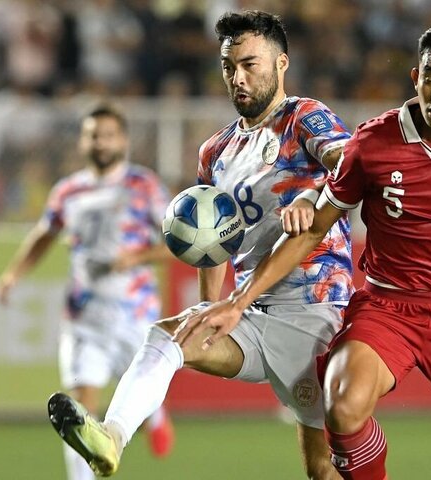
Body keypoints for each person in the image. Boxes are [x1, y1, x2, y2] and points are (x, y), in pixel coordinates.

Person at [176, 22, 431, 480]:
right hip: (387, 306)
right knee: (341, 403)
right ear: (415, 78)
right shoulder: (373, 143)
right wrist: (238, 302)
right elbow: (311, 230)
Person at [47, 10, 352, 480]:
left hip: (313, 311)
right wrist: (210, 307)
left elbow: (348, 161)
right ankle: (112, 437)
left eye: (251, 64)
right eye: (229, 66)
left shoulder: (303, 118)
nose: (239, 78)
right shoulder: (215, 151)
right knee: (168, 333)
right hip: (248, 314)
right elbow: (213, 242)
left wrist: (314, 195)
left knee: (322, 468)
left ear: (282, 63)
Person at [0, 104, 175, 480]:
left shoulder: (144, 186)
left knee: (138, 401)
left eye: (109, 134)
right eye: (94, 134)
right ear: (83, 140)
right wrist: (13, 275)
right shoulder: (68, 191)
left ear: (123, 140)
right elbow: (45, 234)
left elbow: (179, 242)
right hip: (83, 318)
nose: (101, 141)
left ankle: (156, 415)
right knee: (78, 414)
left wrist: (140, 255)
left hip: (136, 316)